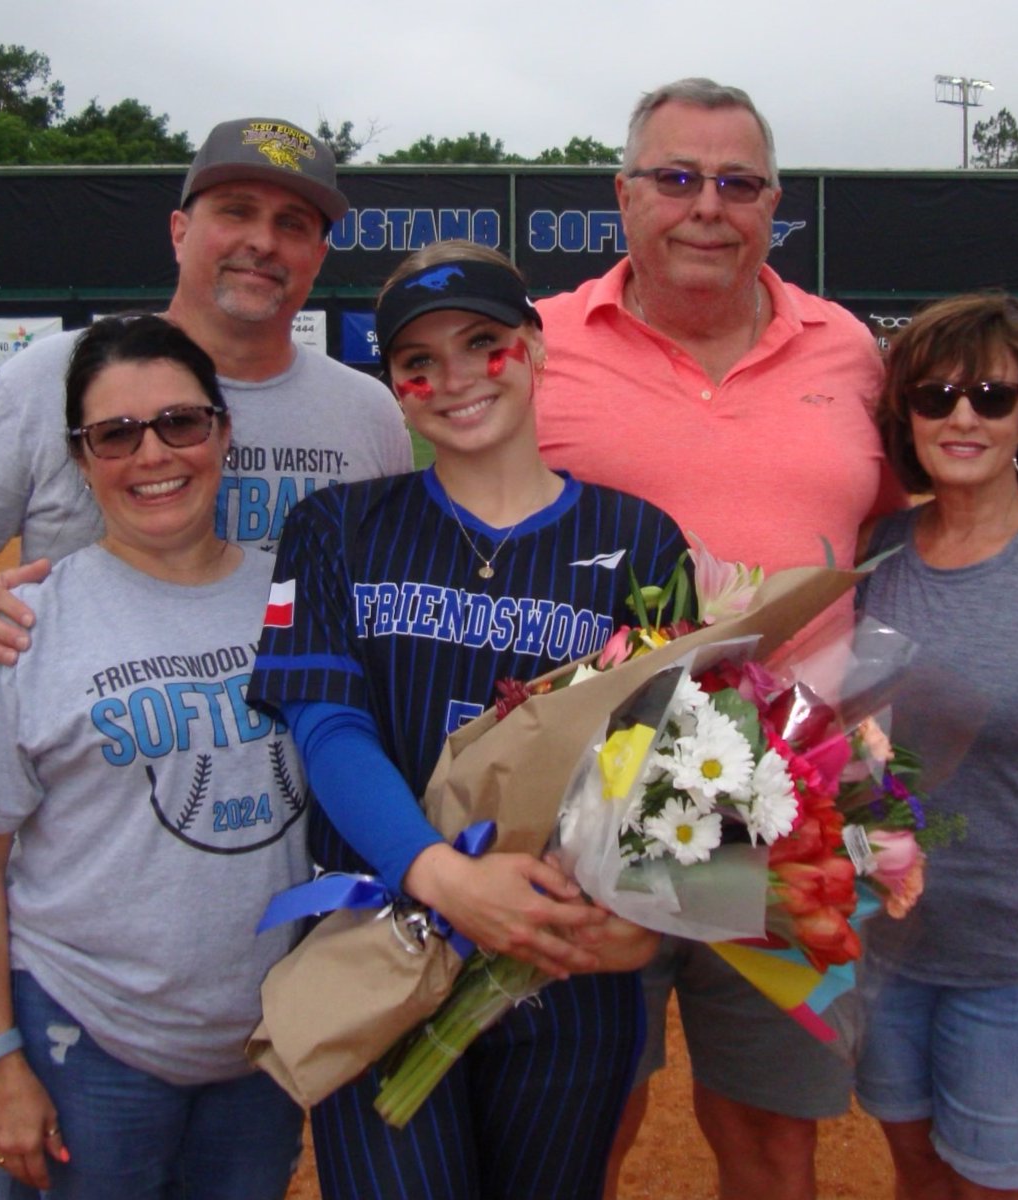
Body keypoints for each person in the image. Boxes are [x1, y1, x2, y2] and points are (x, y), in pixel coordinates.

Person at [247, 240, 689, 1200]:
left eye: (482, 343)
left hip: (562, 963)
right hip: (383, 946)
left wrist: (648, 928)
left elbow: (675, 761)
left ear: (535, 350)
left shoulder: (642, 537)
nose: (452, 379)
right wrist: (439, 876)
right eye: (417, 361)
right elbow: (328, 728)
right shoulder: (335, 527)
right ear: (396, 388)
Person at [533, 78, 904, 1200]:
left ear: (774, 204)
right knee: (582, 1118)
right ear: (623, 195)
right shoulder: (536, 345)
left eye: (737, 183)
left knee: (772, 1138)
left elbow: (905, 531)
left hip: (790, 808)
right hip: (584, 803)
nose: (708, 206)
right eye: (677, 178)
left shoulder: (846, 349)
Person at [0, 315, 313, 1198]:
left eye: (181, 422)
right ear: (81, 455)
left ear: (222, 431)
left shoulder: (293, 600)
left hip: (260, 1052)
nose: (154, 454)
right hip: (84, 1038)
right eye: (116, 434)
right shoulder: (27, 619)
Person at [0, 115, 411, 681]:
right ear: (179, 232)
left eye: (292, 224)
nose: (262, 242)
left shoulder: (369, 412)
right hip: (100, 744)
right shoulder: (51, 375)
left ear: (316, 256)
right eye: (236, 211)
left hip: (312, 745)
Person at [854, 292, 1018, 1198]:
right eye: (936, 395)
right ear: (904, 415)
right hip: (893, 951)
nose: (962, 415)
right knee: (916, 1175)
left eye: (992, 397)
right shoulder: (877, 552)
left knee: (993, 1186)